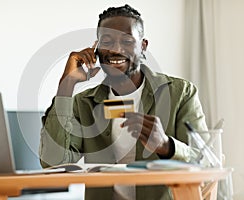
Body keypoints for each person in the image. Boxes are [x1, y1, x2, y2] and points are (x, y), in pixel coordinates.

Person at [39, 4, 207, 200]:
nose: (116, 50)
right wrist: (66, 86)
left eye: (127, 41)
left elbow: (205, 161)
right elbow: (53, 163)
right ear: (96, 49)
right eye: (107, 41)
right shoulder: (83, 103)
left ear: (143, 47)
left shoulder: (181, 94)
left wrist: (166, 145)